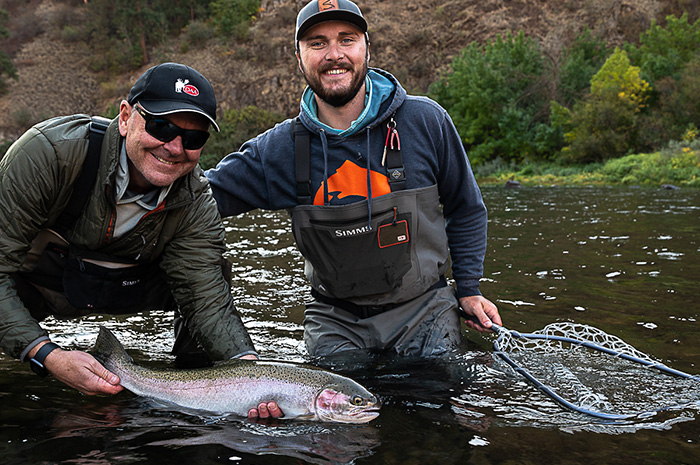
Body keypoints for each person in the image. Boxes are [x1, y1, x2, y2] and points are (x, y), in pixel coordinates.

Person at [206, 0, 502, 359]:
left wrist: (469, 289)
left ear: (366, 47)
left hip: (426, 311)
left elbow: (466, 207)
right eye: (317, 43)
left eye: (347, 40)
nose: (334, 54)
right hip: (335, 321)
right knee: (330, 413)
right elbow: (200, 198)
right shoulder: (278, 149)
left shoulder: (426, 121)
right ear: (298, 56)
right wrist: (151, 154)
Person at [0, 62, 281, 418]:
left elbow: (206, 298)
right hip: (35, 284)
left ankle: (191, 388)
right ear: (125, 117)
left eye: (193, 138)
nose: (174, 147)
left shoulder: (196, 201)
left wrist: (249, 373)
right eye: (161, 126)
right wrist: (46, 355)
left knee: (215, 273)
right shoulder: (50, 155)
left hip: (124, 284)